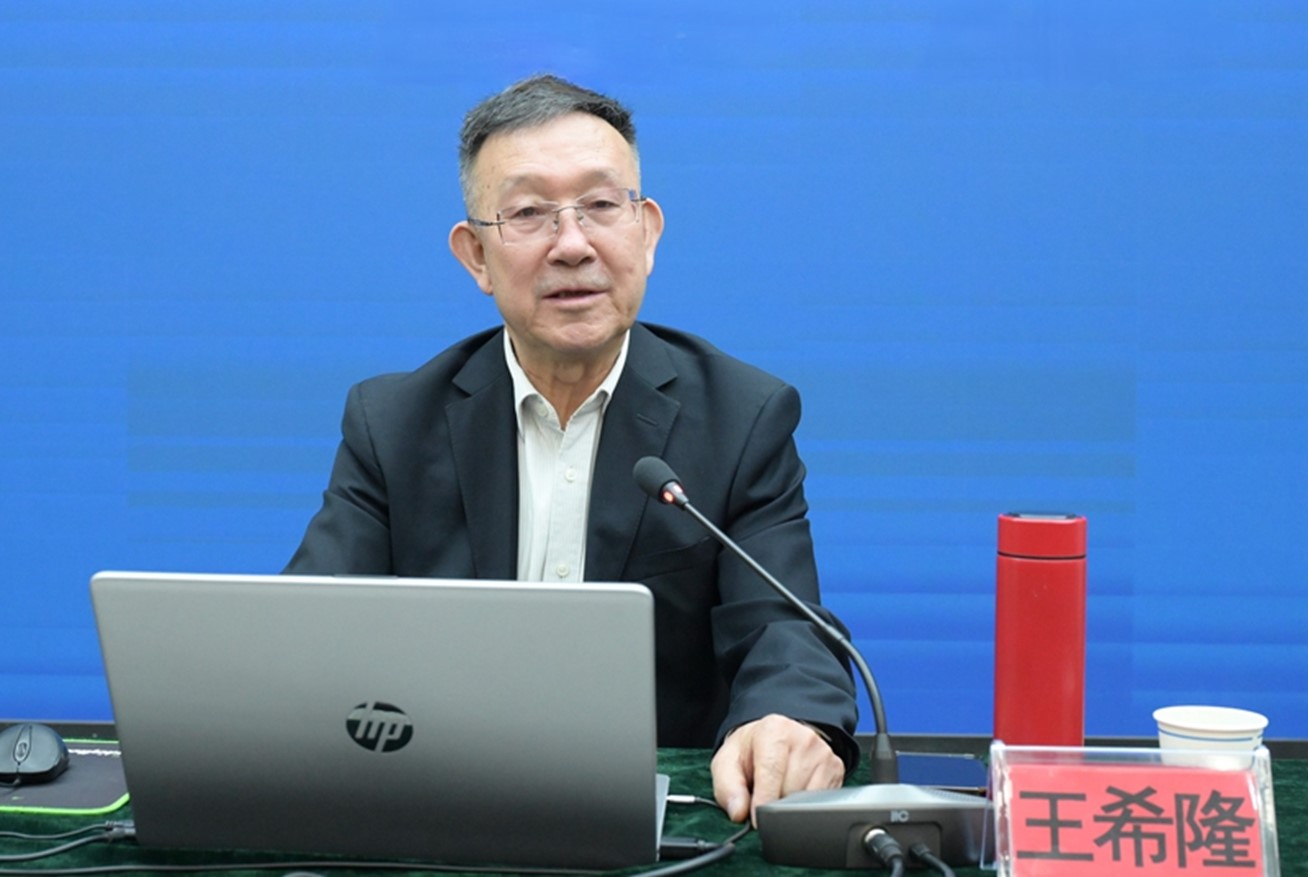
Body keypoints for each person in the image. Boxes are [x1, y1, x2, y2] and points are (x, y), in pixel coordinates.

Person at [286, 74, 859, 824]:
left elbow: (784, 628)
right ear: (475, 256)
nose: (572, 245)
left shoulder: (742, 418)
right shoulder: (393, 424)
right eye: (528, 213)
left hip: (658, 823)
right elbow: (309, 635)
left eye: (600, 205)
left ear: (646, 233)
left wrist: (790, 719)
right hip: (436, 803)